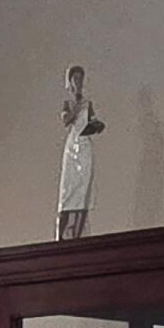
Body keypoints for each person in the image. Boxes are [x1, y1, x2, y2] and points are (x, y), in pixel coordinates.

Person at [56, 65, 103, 238]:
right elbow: (66, 120)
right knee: (69, 189)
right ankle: (64, 231)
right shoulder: (68, 103)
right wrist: (76, 106)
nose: (79, 82)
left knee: (84, 191)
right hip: (73, 147)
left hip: (85, 146)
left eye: (80, 78)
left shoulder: (87, 103)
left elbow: (92, 120)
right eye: (75, 78)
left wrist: (96, 125)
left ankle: (79, 229)